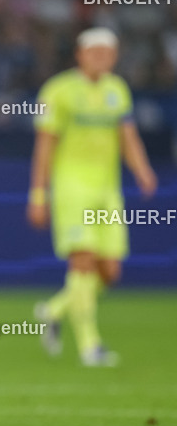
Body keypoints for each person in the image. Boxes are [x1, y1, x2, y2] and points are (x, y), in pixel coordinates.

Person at [27, 27, 157, 366]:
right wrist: (38, 194)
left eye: (108, 53)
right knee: (82, 259)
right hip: (72, 188)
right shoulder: (59, 91)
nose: (102, 58)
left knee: (110, 271)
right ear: (80, 54)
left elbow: (127, 135)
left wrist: (142, 170)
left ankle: (54, 310)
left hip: (107, 191)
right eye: (95, 52)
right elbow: (45, 144)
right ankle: (90, 346)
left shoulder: (117, 90)